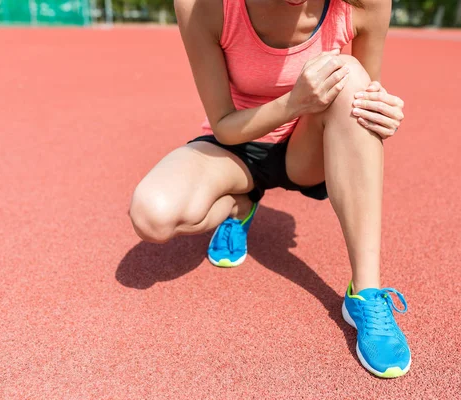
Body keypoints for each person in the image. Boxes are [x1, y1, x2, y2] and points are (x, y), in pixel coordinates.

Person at [129, 0, 410, 378]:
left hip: (304, 152)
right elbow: (224, 125)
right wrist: (293, 102)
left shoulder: (363, 3)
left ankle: (367, 292)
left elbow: (365, 98)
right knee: (152, 216)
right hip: (236, 145)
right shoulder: (202, 7)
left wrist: (382, 113)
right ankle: (238, 206)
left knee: (353, 80)